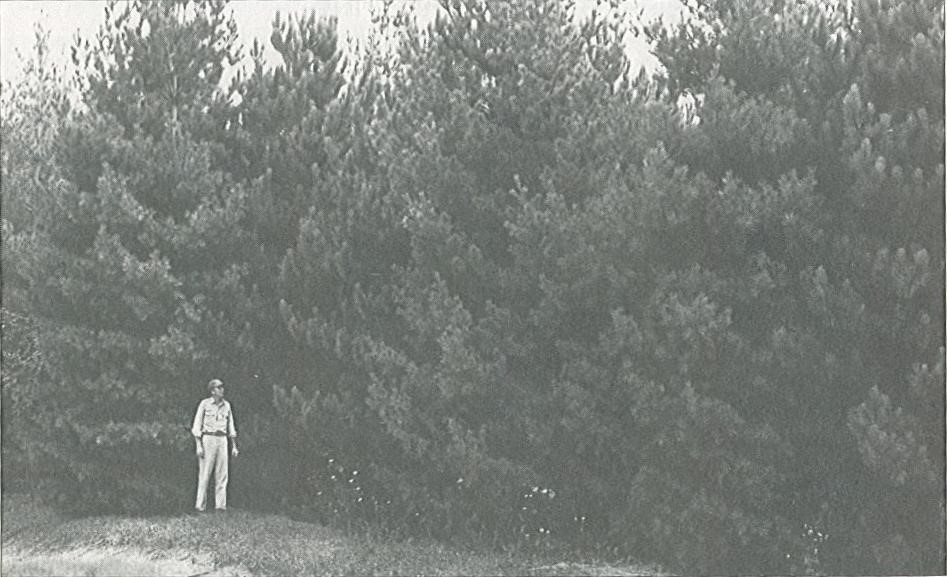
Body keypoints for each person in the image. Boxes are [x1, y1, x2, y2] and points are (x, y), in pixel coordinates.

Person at [191, 378, 239, 512]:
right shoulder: (204, 404)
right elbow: (197, 425)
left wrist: (234, 446)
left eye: (222, 387)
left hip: (222, 439)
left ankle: (220, 507)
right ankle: (200, 506)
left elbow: (231, 426)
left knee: (222, 473)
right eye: (219, 387)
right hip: (208, 438)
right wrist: (198, 445)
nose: (222, 390)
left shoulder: (227, 405)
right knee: (205, 473)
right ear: (212, 391)